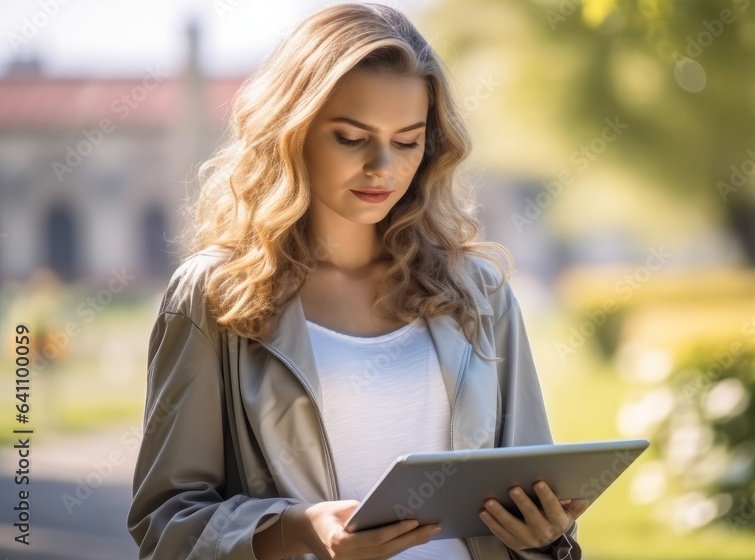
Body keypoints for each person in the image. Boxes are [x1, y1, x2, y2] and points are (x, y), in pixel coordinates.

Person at [126, 3, 588, 559]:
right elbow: (166, 524)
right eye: (351, 137)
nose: (383, 168)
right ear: (290, 133)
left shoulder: (478, 291)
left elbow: (532, 492)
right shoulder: (214, 294)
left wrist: (549, 538)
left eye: (408, 140)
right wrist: (298, 531)